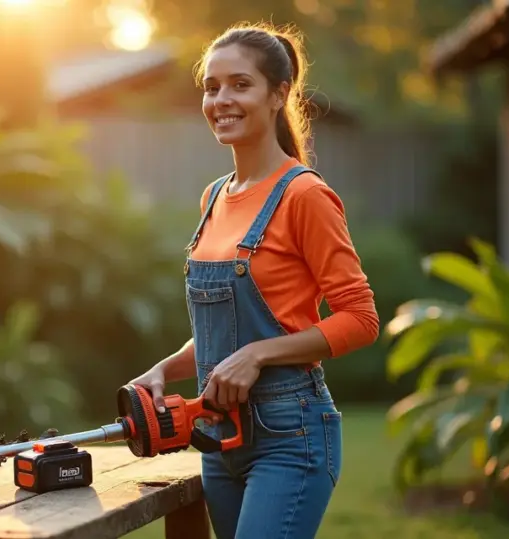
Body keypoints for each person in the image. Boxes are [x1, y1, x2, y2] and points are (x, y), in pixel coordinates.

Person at [127, 22, 380, 539]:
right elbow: (233, 329)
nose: (221, 99)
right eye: (212, 86)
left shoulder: (304, 196)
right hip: (220, 437)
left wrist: (260, 355)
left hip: (291, 434)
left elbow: (361, 320)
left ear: (278, 93)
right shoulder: (214, 197)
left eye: (240, 85)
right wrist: (165, 369)